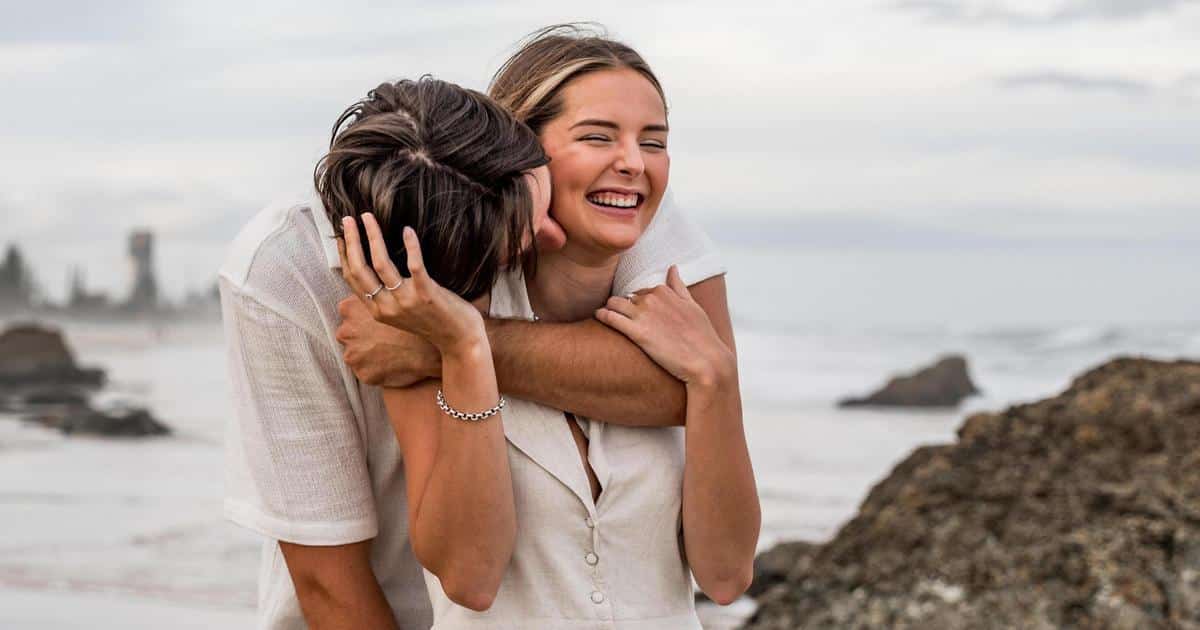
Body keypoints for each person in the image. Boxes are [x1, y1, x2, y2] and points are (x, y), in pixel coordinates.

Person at [219, 28, 740, 630]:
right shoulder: (285, 270)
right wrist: (458, 344)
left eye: (652, 141)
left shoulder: (616, 193)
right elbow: (330, 580)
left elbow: (690, 380)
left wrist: (451, 341)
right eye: (523, 226)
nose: (550, 237)